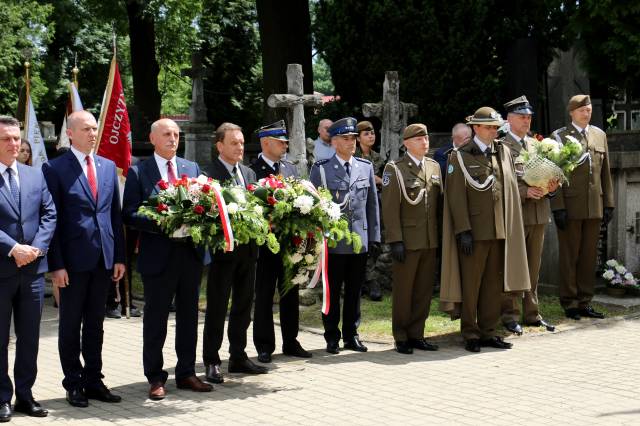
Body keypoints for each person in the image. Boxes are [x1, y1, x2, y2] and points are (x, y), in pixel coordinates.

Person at [122, 118, 212, 400]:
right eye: (166, 134)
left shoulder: (191, 168)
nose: (173, 139)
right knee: (156, 319)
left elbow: (205, 204)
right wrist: (163, 223)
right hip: (159, 255)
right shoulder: (139, 172)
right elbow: (129, 214)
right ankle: (155, 377)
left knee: (188, 317)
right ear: (152, 139)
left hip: (189, 254)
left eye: (176, 134)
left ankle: (186, 373)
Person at [43, 110, 126, 407]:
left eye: (95, 129)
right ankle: (73, 383)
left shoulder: (107, 166)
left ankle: (94, 380)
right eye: (86, 129)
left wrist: (118, 256)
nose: (93, 134)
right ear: (72, 134)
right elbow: (50, 220)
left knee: (95, 324)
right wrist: (57, 265)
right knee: (70, 324)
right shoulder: (54, 169)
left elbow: (113, 215)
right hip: (72, 262)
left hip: (103, 259)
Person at [440, 107, 530, 353]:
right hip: (475, 232)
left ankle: (489, 331)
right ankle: (470, 332)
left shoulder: (502, 152)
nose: (493, 131)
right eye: (488, 127)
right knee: (471, 285)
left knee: (493, 284)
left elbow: (508, 190)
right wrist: (463, 230)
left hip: (499, 230)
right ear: (475, 128)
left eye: (495, 127)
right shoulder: (459, 156)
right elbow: (456, 197)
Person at [0, 116, 56, 420]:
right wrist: (13, 248)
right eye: (6, 139)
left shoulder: (34, 175)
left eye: (16, 138)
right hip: (2, 269)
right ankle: (1, 397)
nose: (14, 144)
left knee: (30, 337)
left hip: (32, 270)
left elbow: (50, 214)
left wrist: (35, 248)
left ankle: (25, 395)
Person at [310, 117, 381, 354]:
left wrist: (374, 237)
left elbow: (372, 206)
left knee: (354, 292)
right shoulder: (321, 169)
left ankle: (352, 335)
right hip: (333, 242)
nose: (351, 143)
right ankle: (331, 336)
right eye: (346, 139)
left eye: (353, 138)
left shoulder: (365, 167)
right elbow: (314, 206)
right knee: (331, 292)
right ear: (334, 141)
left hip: (358, 241)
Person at [202, 122, 266, 384]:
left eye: (241, 142)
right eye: (234, 143)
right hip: (222, 254)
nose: (240, 147)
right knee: (217, 307)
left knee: (243, 305)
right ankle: (212, 361)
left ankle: (238, 355)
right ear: (220, 145)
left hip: (248, 252)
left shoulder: (249, 174)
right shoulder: (209, 175)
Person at [251, 121, 311, 364]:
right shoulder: (252, 170)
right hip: (265, 245)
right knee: (264, 294)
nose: (286, 145)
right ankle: (264, 345)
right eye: (281, 141)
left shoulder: (290, 169)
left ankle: (291, 340)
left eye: (286, 141)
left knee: (290, 292)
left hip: (289, 243)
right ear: (266, 143)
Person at [550, 95, 614, 320]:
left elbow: (605, 172)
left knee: (589, 256)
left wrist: (609, 203)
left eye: (588, 110)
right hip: (570, 205)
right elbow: (554, 173)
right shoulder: (559, 136)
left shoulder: (599, 135)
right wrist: (557, 206)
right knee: (570, 256)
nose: (586, 113)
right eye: (581, 110)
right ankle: (570, 302)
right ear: (571, 113)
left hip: (594, 206)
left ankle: (585, 301)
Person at [500, 96, 558, 335]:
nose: (526, 121)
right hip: (517, 215)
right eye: (521, 117)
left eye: (529, 117)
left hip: (538, 214)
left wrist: (552, 186)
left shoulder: (537, 145)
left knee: (534, 268)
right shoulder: (501, 146)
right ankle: (510, 315)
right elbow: (500, 181)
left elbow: (548, 174)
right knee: (514, 267)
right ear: (509, 119)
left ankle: (533, 313)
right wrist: (525, 191)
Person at [381, 123, 440, 355]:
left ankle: (417, 334)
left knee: (423, 291)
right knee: (405, 291)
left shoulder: (434, 167)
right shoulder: (394, 169)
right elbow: (390, 208)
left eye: (425, 138)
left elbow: (438, 207)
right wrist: (395, 240)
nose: (424, 142)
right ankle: (401, 335)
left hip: (429, 240)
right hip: (407, 241)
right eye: (418, 139)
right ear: (406, 143)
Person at [355, 120, 384, 301]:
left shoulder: (378, 157)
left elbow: (384, 180)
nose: (371, 136)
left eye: (372, 133)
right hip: (358, 204)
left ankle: (370, 281)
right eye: (366, 134)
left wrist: (376, 179)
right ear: (358, 138)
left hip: (375, 204)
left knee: (374, 242)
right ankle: (362, 282)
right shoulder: (354, 156)